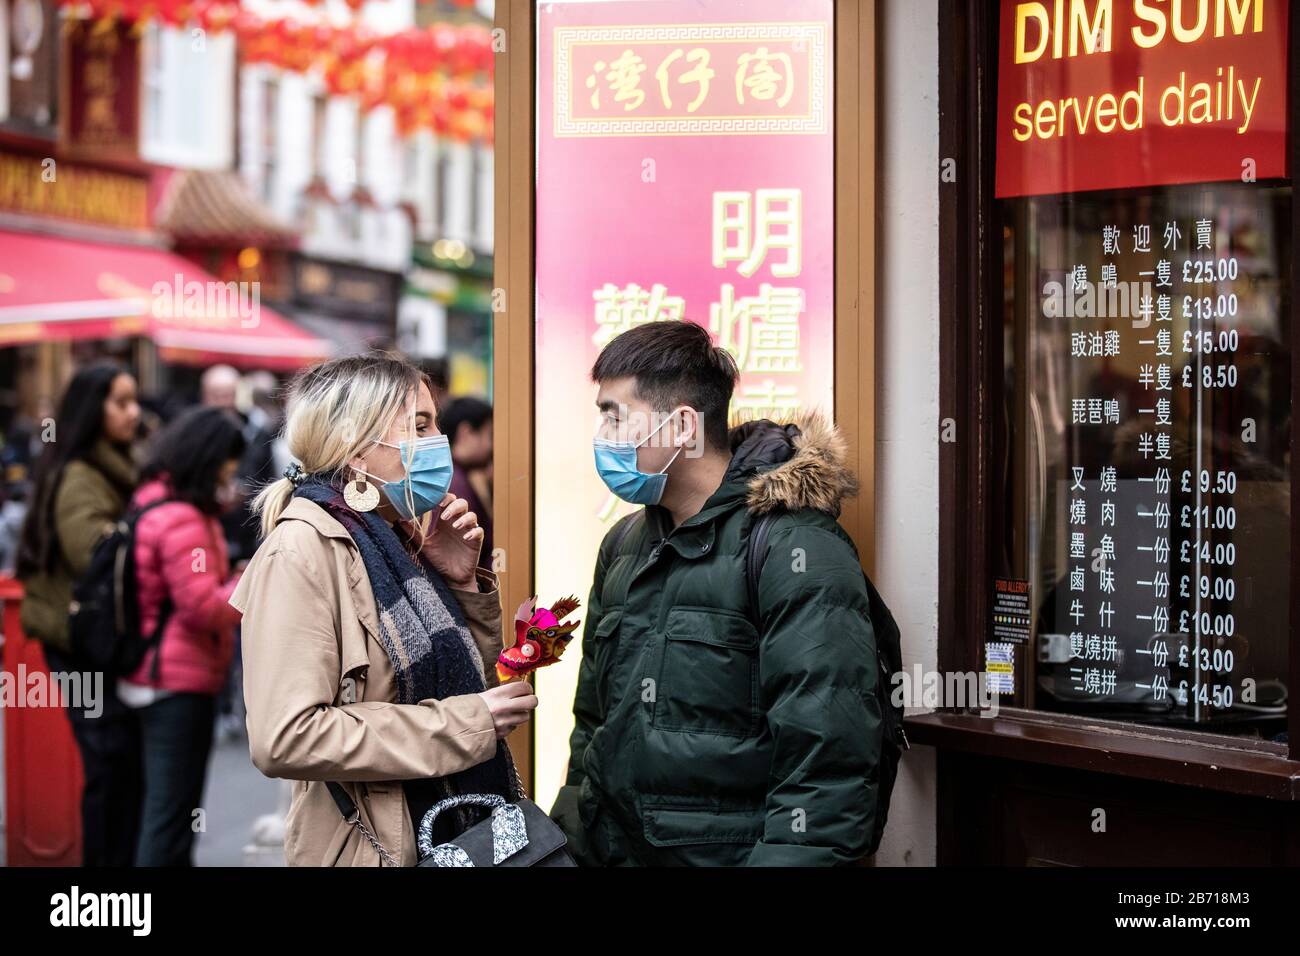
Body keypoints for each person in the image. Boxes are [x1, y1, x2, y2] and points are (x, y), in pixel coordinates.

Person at [550, 321, 882, 866]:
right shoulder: (625, 544)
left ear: (682, 426)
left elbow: (828, 762)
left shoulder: (792, 545)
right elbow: (593, 723)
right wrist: (572, 833)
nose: (602, 434)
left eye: (614, 414)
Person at [233, 353, 537, 866]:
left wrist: (462, 585)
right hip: (374, 847)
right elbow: (284, 737)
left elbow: (468, 684)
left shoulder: (397, 540)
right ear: (355, 447)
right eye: (420, 425)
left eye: (435, 422)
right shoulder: (303, 550)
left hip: (455, 830)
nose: (438, 440)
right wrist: (463, 723)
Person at [15, 362, 143, 867]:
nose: (134, 413)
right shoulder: (81, 473)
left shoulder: (108, 462)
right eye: (121, 402)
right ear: (93, 410)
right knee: (107, 768)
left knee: (115, 768)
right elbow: (92, 555)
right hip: (78, 644)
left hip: (89, 641)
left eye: (134, 401)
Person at [120, 406, 247, 866]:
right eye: (227, 463)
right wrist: (247, 583)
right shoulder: (184, 520)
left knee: (166, 811)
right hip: (175, 682)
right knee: (171, 816)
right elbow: (202, 607)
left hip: (156, 675)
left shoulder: (154, 501)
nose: (230, 474)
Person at [438, 397, 494, 571]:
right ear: (466, 432)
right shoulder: (455, 484)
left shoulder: (456, 476)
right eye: (490, 435)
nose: (493, 446)